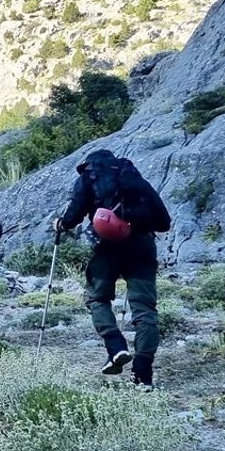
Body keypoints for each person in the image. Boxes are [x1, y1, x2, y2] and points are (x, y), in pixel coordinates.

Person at [56, 149, 171, 390]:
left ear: (90, 163)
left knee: (96, 297)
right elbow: (163, 220)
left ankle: (116, 346)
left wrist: (62, 224)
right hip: (142, 246)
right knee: (145, 309)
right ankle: (143, 375)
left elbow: (75, 211)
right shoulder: (133, 177)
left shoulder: (89, 176)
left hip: (108, 247)